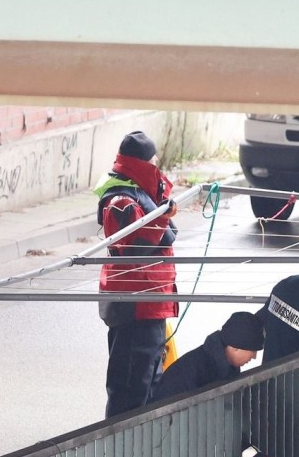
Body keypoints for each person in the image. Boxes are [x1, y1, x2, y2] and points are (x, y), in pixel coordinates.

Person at [94, 131, 179, 418]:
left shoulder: (138, 194)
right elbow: (134, 249)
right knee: (130, 390)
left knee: (146, 387)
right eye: (154, 163)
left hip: (149, 306)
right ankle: (120, 452)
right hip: (136, 307)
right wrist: (162, 216)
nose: (159, 169)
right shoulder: (120, 200)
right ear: (144, 165)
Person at [148, 311, 265, 404]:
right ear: (235, 347)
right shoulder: (194, 370)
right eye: (252, 350)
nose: (254, 357)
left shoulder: (223, 365)